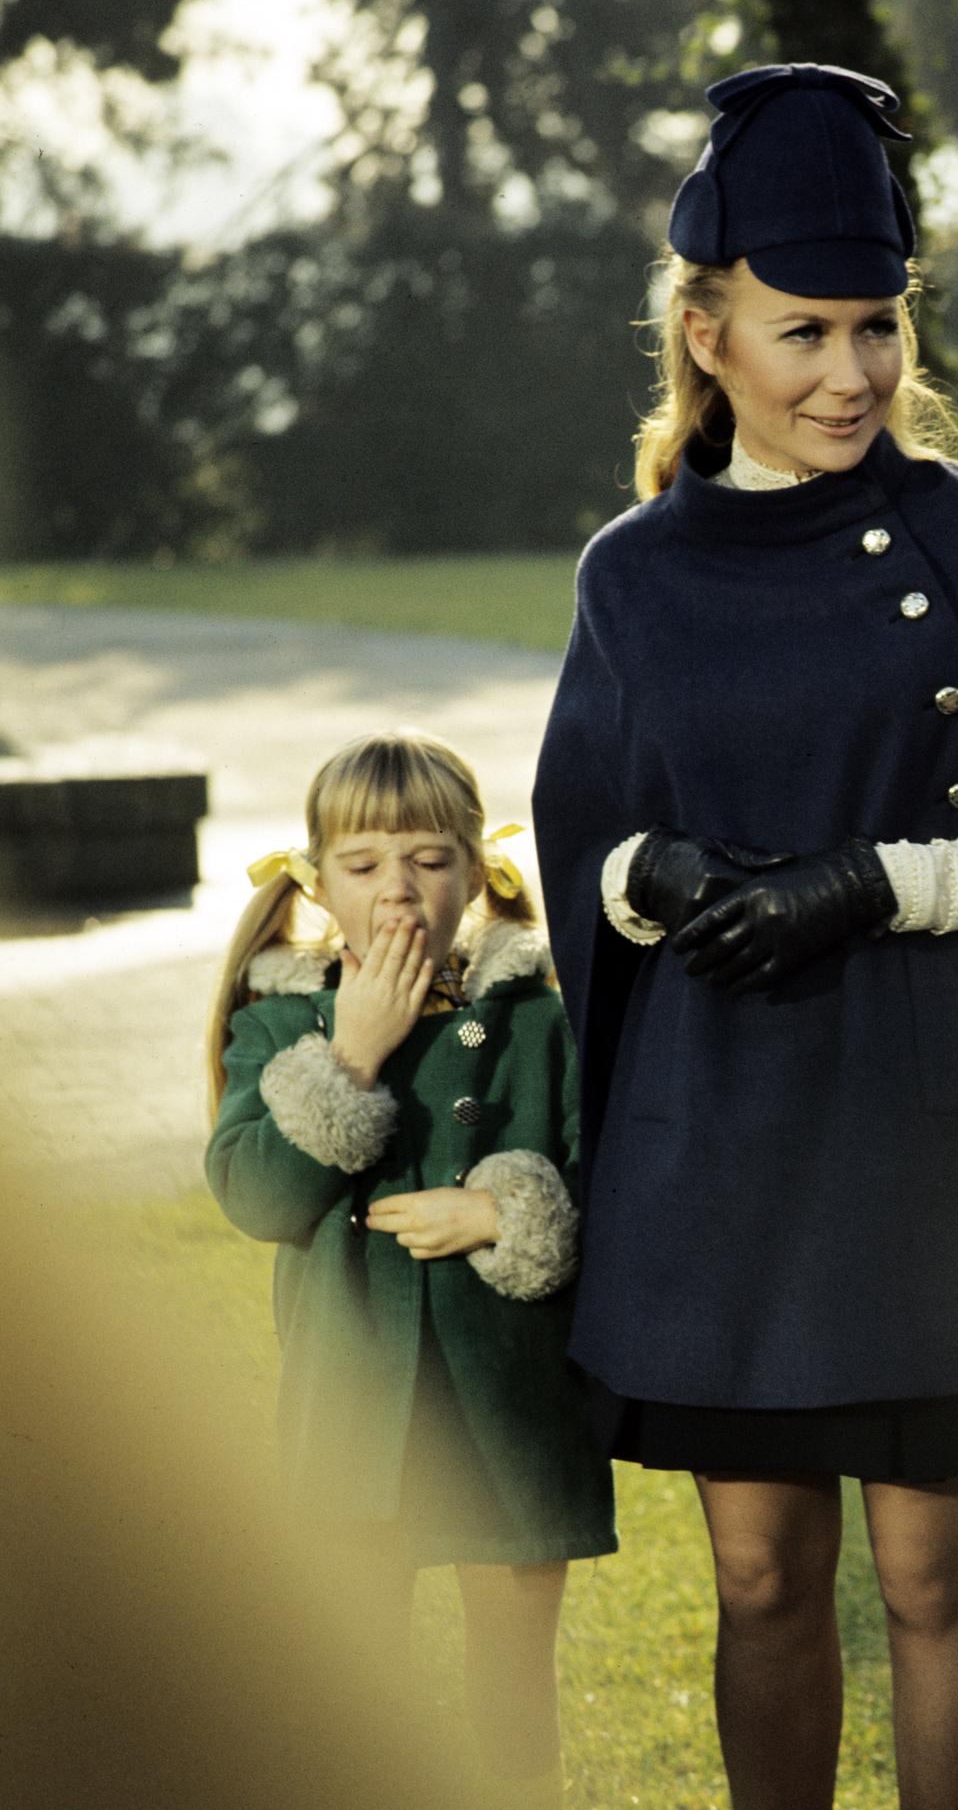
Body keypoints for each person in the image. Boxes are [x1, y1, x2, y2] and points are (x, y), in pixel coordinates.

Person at [531, 62, 958, 1810]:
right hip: (723, 1141)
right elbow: (582, 836)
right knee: (756, 1579)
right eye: (805, 332)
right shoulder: (632, 572)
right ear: (709, 330)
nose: (853, 374)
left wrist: (873, 882)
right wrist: (671, 875)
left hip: (934, 1135)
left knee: (936, 1577)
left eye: (877, 327)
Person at [204, 728, 613, 1809]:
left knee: (513, 1687)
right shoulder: (280, 1020)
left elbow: (608, 1188)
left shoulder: (541, 1018)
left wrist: (499, 1210)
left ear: (480, 870)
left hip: (507, 1406)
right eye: (366, 863)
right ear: (316, 881)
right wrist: (351, 1054)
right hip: (349, 1408)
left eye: (432, 859)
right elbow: (255, 1197)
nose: (400, 890)